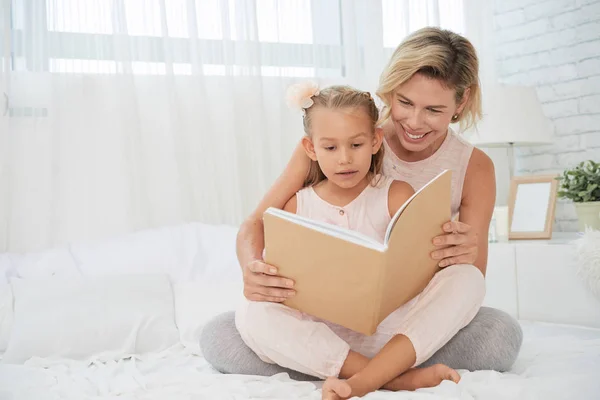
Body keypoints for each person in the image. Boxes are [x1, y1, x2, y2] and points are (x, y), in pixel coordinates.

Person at [201, 26, 523, 387]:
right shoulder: (340, 137)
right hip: (324, 320)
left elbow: (471, 278)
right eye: (404, 102)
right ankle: (388, 376)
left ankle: (343, 367)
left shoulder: (475, 166)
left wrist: (467, 250)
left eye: (434, 109)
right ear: (389, 90)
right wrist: (252, 270)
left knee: (496, 331)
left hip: (405, 323)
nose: (414, 123)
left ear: (460, 104)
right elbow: (255, 223)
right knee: (223, 333)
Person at [235, 83, 484, 400]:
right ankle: (389, 379)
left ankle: (366, 379)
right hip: (322, 336)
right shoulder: (296, 205)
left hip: (392, 331)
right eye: (330, 148)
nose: (344, 159)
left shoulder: (396, 195)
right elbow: (264, 246)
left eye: (356, 145)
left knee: (468, 278)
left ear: (375, 141)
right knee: (250, 311)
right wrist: (257, 272)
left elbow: (425, 265)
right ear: (310, 149)